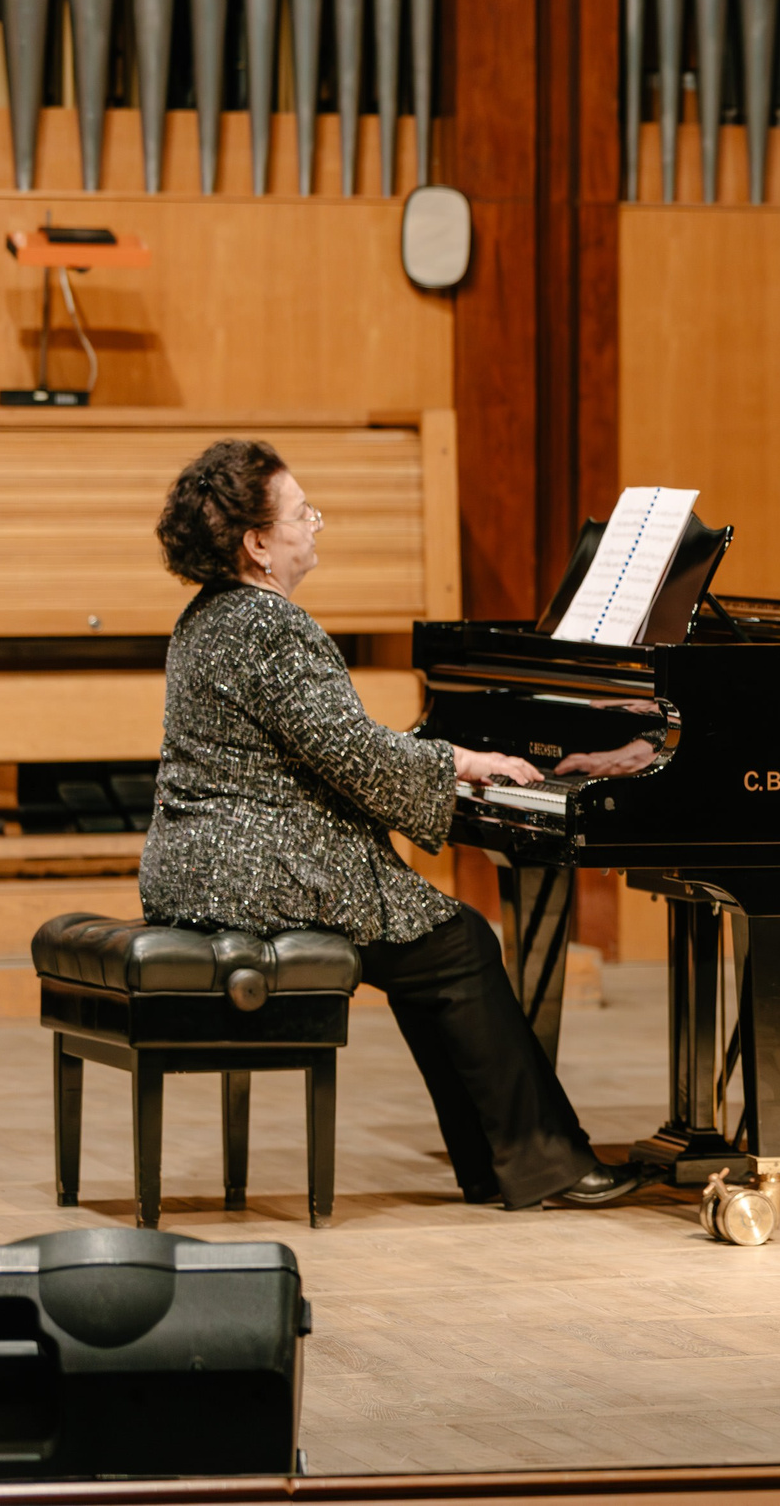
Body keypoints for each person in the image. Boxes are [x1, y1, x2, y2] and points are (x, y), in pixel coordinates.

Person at [139, 438, 650, 1211]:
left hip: (197, 866)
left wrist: (448, 763)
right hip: (260, 871)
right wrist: (462, 762)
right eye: (302, 513)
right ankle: (539, 1162)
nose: (315, 523)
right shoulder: (272, 625)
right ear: (258, 544)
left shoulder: (206, 617)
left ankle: (502, 1163)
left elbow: (331, 747)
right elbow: (353, 755)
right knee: (459, 944)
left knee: (439, 942)